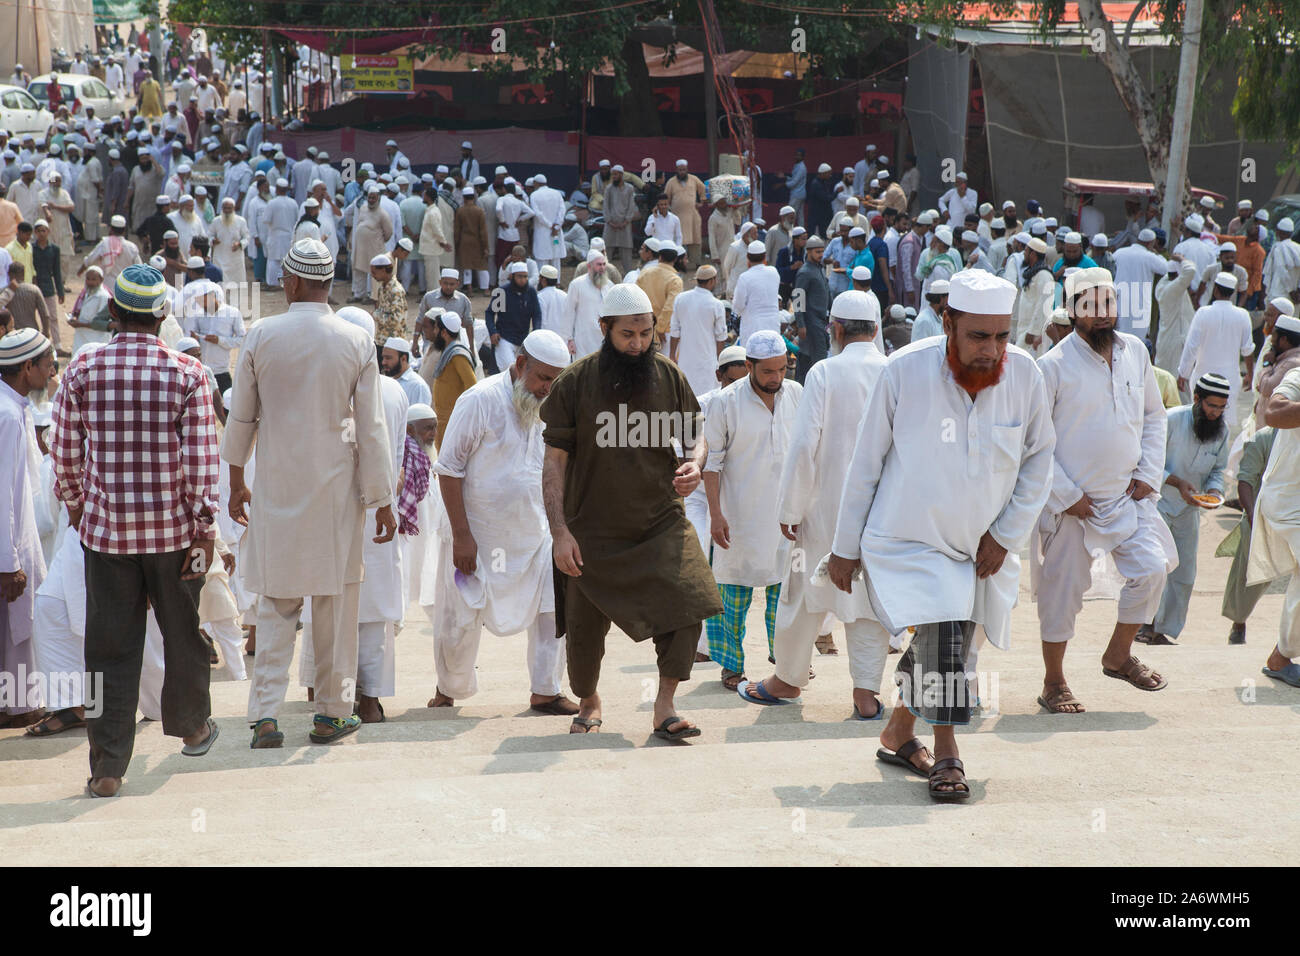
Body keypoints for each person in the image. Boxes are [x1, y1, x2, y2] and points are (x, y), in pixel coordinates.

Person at [829, 269, 1054, 801]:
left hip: (983, 548)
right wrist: (843, 546)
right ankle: (949, 753)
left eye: (1002, 336)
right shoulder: (903, 371)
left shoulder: (1024, 375)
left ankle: (898, 732)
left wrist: (1006, 534)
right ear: (948, 322)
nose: (991, 350)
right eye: (978, 336)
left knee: (946, 647)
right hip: (908, 540)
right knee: (944, 635)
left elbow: (1040, 458)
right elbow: (865, 463)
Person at [49, 266, 221, 797]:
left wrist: (79, 507)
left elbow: (64, 454)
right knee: (184, 634)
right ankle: (192, 726)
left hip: (107, 539)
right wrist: (204, 527)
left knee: (108, 651)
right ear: (162, 315)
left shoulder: (82, 369)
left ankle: (106, 767)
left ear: (115, 314)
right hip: (173, 537)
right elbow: (201, 464)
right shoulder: (188, 373)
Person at [222, 240, 397, 749]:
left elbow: (242, 418)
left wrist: (236, 482)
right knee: (335, 606)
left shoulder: (262, 334)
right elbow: (372, 429)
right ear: (328, 283)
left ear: (292, 281)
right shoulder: (355, 341)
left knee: (277, 603)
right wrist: (381, 499)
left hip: (276, 490)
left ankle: (266, 718)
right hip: (336, 497)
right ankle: (331, 713)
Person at [541, 283, 722, 737]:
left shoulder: (668, 375)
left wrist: (694, 466)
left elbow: (696, 438)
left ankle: (664, 706)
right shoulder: (575, 382)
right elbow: (553, 463)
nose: (638, 343)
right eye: (627, 335)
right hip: (591, 528)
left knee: (691, 602)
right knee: (583, 631)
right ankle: (590, 699)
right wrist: (560, 532)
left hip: (660, 521)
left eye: (645, 333)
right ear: (604, 329)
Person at [737, 291, 892, 715]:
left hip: (826, 510)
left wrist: (790, 509)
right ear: (876, 329)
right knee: (867, 603)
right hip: (880, 513)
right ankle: (865, 694)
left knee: (802, 594)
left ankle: (787, 681)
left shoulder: (824, 373)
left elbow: (804, 445)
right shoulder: (894, 371)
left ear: (836, 330)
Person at [1033, 267, 1175, 712]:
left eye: (1108, 305)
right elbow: (1034, 442)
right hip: (1073, 506)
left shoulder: (1135, 351)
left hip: (1127, 497)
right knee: (1062, 595)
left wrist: (1149, 474)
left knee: (1152, 569)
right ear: (1073, 311)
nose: (1102, 316)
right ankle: (1053, 682)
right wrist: (1066, 495)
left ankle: (1117, 655)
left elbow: (1154, 416)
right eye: (1091, 307)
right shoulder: (1051, 366)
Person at [428, 329, 577, 714]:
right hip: (478, 534)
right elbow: (448, 469)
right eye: (543, 378)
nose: (548, 388)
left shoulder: (555, 406)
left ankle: (546, 689)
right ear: (521, 363)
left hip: (534, 534)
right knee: (459, 619)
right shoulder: (479, 399)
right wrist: (462, 535)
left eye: (556, 380)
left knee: (551, 611)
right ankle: (449, 690)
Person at [700, 329, 802, 688]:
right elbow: (710, 463)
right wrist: (715, 514)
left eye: (781, 370)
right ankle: (731, 667)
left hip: (785, 516)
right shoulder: (724, 403)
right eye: (767, 372)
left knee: (785, 594)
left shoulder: (797, 395)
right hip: (738, 515)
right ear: (749, 366)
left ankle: (787, 665)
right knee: (732, 593)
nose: (775, 379)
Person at [1136, 373, 1231, 645]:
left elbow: (1217, 470)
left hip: (1190, 509)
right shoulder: (1171, 419)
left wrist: (1214, 492)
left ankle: (1162, 630)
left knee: (1184, 573)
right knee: (1154, 566)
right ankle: (1144, 623)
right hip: (1158, 503)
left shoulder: (1221, 432)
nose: (1215, 413)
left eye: (1221, 407)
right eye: (1211, 406)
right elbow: (1148, 461)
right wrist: (1178, 483)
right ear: (1197, 399)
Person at [0, 328, 56, 729]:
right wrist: (9, 560)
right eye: (48, 364)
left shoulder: (15, 407)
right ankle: (18, 705)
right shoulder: (6, 414)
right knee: (16, 626)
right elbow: (4, 490)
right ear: (27, 367)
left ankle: (17, 702)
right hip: (10, 541)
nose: (52, 372)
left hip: (18, 538)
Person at [1249, 368, 1300, 686]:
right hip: (1289, 500)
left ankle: (1281, 655)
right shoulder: (1298, 377)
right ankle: (1281, 658)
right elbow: (1274, 412)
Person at [1222, 426, 1281, 644]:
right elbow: (1245, 480)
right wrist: (1251, 516)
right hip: (1261, 515)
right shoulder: (1263, 439)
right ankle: (1239, 623)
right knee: (1249, 576)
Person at [1177, 273, 1254, 428]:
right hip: (1230, 379)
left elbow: (1191, 346)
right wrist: (1250, 375)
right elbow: (1247, 350)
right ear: (1232, 293)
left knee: (1199, 420)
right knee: (1224, 422)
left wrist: (1183, 373)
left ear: (1215, 290)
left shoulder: (1203, 313)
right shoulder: (1243, 315)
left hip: (1202, 377)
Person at [667, 264, 727, 397]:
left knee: (686, 394)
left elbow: (675, 330)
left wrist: (672, 355)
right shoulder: (716, 304)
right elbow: (720, 337)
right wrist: (720, 360)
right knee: (706, 397)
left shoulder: (681, 298)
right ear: (712, 281)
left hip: (685, 359)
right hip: (707, 359)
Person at [487, 260, 541, 373]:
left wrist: (536, 332)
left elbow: (536, 314)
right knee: (511, 371)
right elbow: (490, 313)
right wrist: (493, 332)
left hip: (523, 340)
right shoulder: (502, 292)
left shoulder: (531, 292)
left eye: (525, 276)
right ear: (512, 276)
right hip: (504, 338)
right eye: (520, 276)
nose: (523, 280)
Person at [1154, 257, 1198, 377]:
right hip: (1175, 343)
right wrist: (1182, 259)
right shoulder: (1171, 289)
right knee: (1177, 381)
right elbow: (1190, 271)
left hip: (1167, 339)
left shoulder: (1163, 284)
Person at [732, 240, 781, 347]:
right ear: (764, 257)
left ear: (748, 257)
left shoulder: (744, 277)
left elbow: (738, 306)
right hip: (772, 324)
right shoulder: (774, 272)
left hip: (752, 326)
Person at [636, 239, 684, 344]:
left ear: (660, 257)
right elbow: (669, 308)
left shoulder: (644, 273)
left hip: (644, 328)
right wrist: (659, 328)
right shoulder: (675, 280)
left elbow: (636, 300)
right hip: (664, 331)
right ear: (675, 259)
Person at [665, 160, 706, 266]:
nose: (682, 172)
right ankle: (679, 264)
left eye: (684, 170)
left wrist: (701, 201)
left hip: (692, 216)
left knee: (696, 240)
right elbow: (666, 197)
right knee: (678, 241)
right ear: (676, 170)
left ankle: (697, 263)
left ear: (687, 169)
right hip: (677, 217)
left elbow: (703, 189)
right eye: (680, 170)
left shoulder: (694, 179)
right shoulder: (671, 182)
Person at [381, 336, 432, 408]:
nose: (383, 362)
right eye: (383, 358)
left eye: (388, 358)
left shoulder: (417, 386)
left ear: (403, 359)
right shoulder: (387, 381)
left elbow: (420, 417)